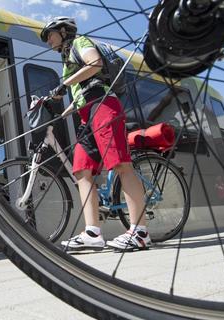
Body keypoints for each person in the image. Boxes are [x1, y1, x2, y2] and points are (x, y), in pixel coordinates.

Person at [41, 17, 150, 252]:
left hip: (103, 105)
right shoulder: (67, 58)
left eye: (50, 34)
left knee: (121, 165)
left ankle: (140, 232)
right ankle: (92, 233)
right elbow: (80, 95)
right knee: (81, 170)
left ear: (63, 31)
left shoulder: (80, 42)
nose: (48, 40)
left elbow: (95, 64)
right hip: (86, 112)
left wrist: (63, 85)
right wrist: (56, 108)